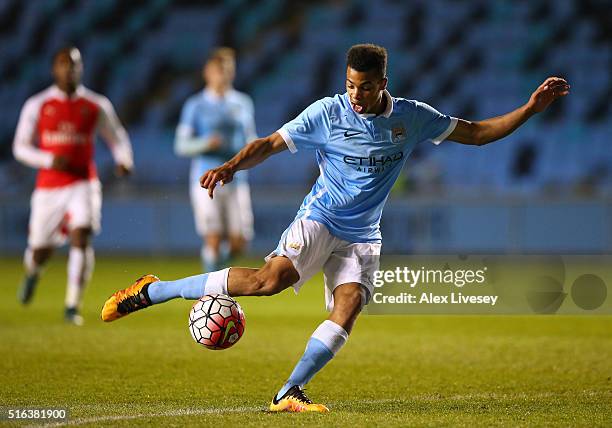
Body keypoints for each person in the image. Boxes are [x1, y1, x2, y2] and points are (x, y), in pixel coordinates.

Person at [101, 44, 569, 411]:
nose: (355, 95)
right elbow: (269, 143)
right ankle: (153, 290)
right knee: (268, 283)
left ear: (383, 83)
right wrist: (231, 167)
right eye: (349, 85)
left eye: (364, 87)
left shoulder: (411, 117)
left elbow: (479, 133)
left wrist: (528, 109)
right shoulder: (327, 113)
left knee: (347, 309)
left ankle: (289, 392)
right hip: (320, 218)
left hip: (365, 233)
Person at [14, 46, 133, 325]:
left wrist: (123, 159)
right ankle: (33, 272)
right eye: (63, 64)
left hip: (84, 182)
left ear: (81, 69)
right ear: (54, 69)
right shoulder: (38, 104)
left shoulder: (95, 104)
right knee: (40, 250)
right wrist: (47, 158)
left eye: (74, 65)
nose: (69, 70)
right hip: (49, 187)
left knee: (82, 235)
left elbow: (116, 136)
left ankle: (72, 306)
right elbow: (19, 147)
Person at [174, 47, 256, 272]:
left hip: (237, 180)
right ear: (207, 72)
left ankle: (215, 267)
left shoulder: (242, 103)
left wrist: (251, 149)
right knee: (213, 238)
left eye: (229, 69)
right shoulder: (195, 105)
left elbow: (250, 139)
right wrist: (205, 143)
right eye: (219, 69)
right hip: (206, 179)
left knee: (241, 243)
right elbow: (181, 145)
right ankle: (211, 291)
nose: (224, 74)